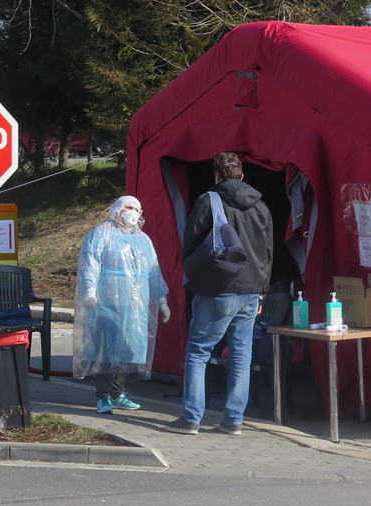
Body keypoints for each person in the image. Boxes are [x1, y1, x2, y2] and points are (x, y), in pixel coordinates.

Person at [164, 152, 273, 435]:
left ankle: (191, 418)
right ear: (242, 175)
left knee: (198, 351)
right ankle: (233, 421)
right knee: (241, 355)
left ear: (216, 175)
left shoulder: (208, 200)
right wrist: (262, 291)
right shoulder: (260, 205)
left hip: (218, 288)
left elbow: (190, 242)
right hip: (251, 290)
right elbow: (268, 252)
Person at [73, 196, 171, 414]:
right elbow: (91, 264)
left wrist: (161, 299)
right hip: (106, 302)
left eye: (137, 208)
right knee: (107, 350)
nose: (133, 212)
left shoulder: (143, 240)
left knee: (126, 349)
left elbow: (153, 270)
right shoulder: (101, 235)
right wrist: (90, 291)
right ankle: (103, 396)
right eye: (128, 207)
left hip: (134, 304)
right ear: (117, 209)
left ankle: (118, 394)